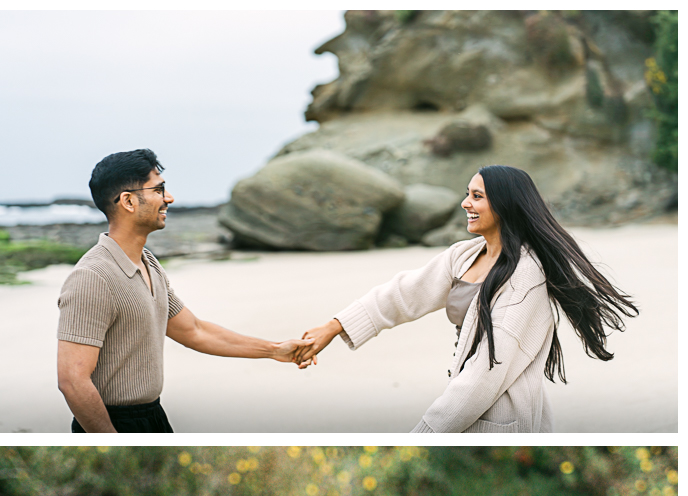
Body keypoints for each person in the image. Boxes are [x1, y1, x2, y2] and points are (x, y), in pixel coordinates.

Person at [296, 164, 639, 433]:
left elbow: (485, 374)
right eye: (467, 194)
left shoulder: (526, 277)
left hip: (502, 420)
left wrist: (426, 431)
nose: (465, 204)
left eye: (477, 197)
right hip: (468, 409)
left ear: (504, 206)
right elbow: (403, 294)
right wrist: (333, 327)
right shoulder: (465, 255)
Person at [57, 149, 311, 432]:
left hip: (153, 415)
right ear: (128, 201)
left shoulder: (148, 263)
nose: (169, 198)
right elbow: (72, 380)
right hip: (112, 423)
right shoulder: (92, 277)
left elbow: (195, 330)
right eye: (159, 189)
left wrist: (274, 350)